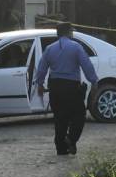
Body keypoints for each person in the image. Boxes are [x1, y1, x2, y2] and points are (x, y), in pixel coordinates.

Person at [36, 22, 99, 155]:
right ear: (69, 32)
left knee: (60, 118)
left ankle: (61, 148)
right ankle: (71, 139)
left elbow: (41, 68)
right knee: (79, 115)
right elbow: (86, 65)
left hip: (55, 87)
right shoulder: (76, 47)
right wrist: (94, 81)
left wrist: (40, 84)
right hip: (71, 87)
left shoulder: (49, 48)